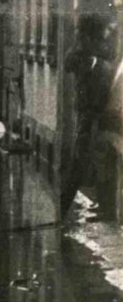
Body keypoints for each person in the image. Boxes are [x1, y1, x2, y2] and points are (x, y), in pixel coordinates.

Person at [61, 14, 116, 219]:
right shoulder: (85, 52)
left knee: (86, 160)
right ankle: (100, 205)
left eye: (80, 35)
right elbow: (69, 62)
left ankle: (63, 207)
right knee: (91, 160)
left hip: (95, 115)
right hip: (89, 114)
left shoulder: (99, 54)